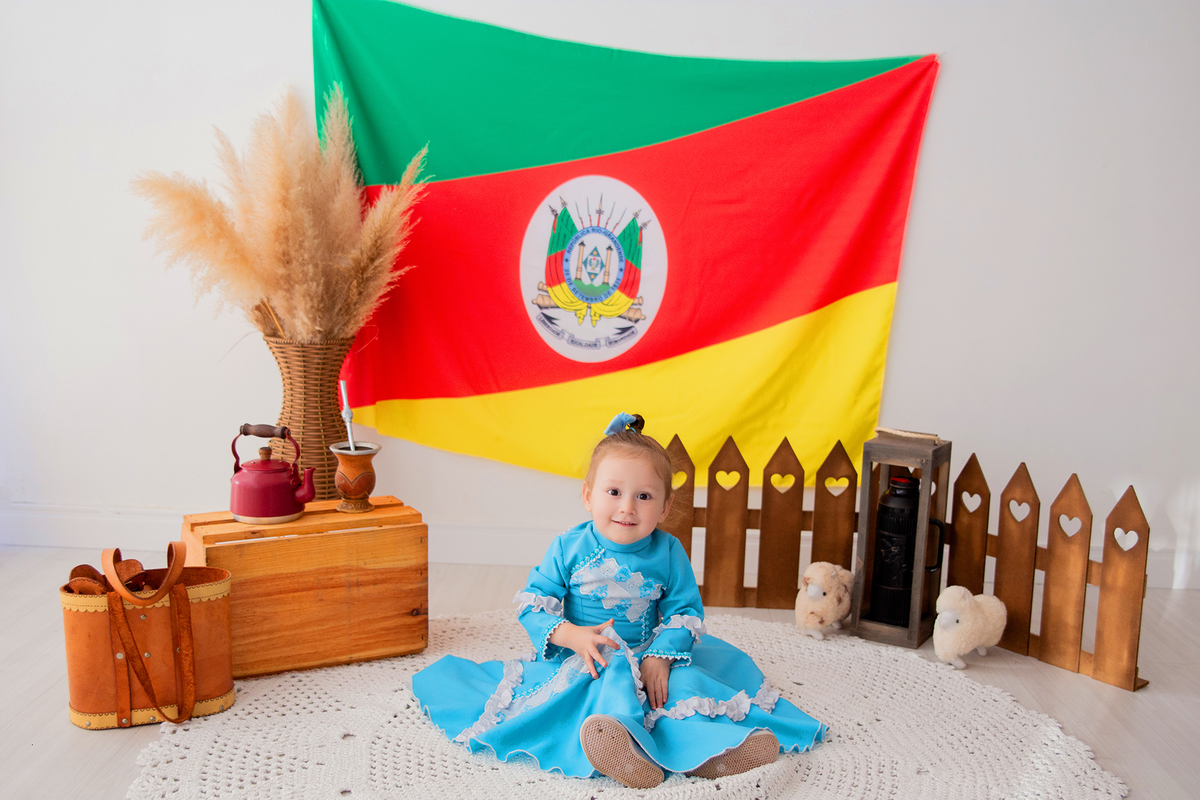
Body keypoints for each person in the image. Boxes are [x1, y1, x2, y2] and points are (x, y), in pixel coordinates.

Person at [412, 413, 826, 788]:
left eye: (644, 497)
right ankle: (622, 748)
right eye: (614, 492)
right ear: (588, 496)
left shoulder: (668, 552)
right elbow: (533, 602)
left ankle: (713, 750)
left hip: (649, 651)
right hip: (591, 653)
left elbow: (684, 610)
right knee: (609, 687)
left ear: (665, 507)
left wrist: (661, 656)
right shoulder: (569, 547)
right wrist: (571, 636)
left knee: (681, 687)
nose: (627, 508)